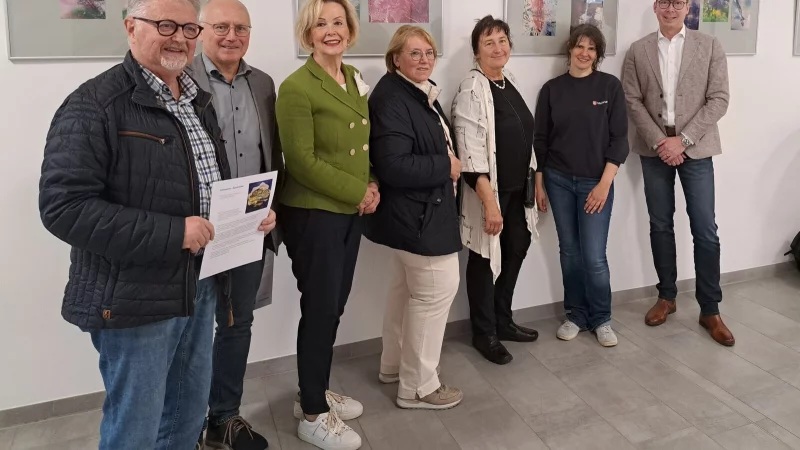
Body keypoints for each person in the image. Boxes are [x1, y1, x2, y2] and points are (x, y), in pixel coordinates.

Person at [38, 0, 276, 448]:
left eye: (188, 27)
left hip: (198, 287)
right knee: (137, 428)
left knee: (186, 415)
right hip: (134, 300)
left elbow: (207, 184)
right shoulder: (96, 104)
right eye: (165, 24)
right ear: (131, 27)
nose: (179, 37)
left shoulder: (194, 99)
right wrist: (174, 233)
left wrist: (248, 214)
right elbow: (63, 207)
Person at [275, 0, 375, 448]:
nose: (331, 31)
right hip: (314, 213)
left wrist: (371, 184)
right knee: (319, 308)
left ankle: (310, 390)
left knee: (333, 305)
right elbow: (301, 162)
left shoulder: (352, 78)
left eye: (338, 22)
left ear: (350, 28)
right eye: (321, 24)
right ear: (308, 33)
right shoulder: (296, 87)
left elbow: (361, 145)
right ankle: (313, 414)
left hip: (348, 211)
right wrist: (358, 192)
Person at [187, 0, 282, 448]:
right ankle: (181, 426)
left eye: (240, 27)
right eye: (221, 26)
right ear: (201, 30)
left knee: (235, 324)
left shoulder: (262, 83)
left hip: (247, 230)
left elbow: (271, 156)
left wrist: (271, 207)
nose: (231, 36)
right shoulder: (180, 77)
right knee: (186, 330)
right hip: (192, 230)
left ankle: (223, 418)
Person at [623, 0, 734, 346]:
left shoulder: (710, 45)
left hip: (696, 148)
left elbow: (719, 99)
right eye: (664, 2)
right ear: (655, 7)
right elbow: (631, 98)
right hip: (654, 149)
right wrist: (661, 142)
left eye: (678, 2)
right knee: (660, 224)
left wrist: (682, 141)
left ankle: (710, 309)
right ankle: (667, 296)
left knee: (705, 228)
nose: (671, 9)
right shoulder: (638, 50)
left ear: (687, 7)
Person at [366, 25, 464, 410]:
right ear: (396, 59)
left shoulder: (413, 90)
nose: (424, 60)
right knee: (436, 293)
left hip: (417, 213)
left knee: (406, 294)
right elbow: (393, 165)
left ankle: (393, 367)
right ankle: (418, 387)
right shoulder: (393, 98)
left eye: (429, 53)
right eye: (415, 53)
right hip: (419, 216)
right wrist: (447, 166)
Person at [452, 15, 541, 365]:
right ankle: (484, 332)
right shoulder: (471, 89)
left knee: (517, 247)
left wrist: (536, 182)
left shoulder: (509, 81)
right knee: (485, 259)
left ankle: (503, 320)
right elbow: (470, 153)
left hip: (520, 191)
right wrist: (490, 204)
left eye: (502, 40)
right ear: (476, 51)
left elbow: (526, 138)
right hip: (490, 193)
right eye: (489, 42)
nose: (498, 47)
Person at [533, 24, 629, 347]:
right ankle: (575, 314)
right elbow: (541, 140)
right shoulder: (551, 90)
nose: (584, 53)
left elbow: (620, 141)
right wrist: (540, 181)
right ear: (570, 49)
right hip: (558, 180)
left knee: (594, 256)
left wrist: (604, 184)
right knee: (569, 252)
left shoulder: (609, 88)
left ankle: (601, 318)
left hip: (596, 182)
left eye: (591, 49)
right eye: (579, 47)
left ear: (598, 55)